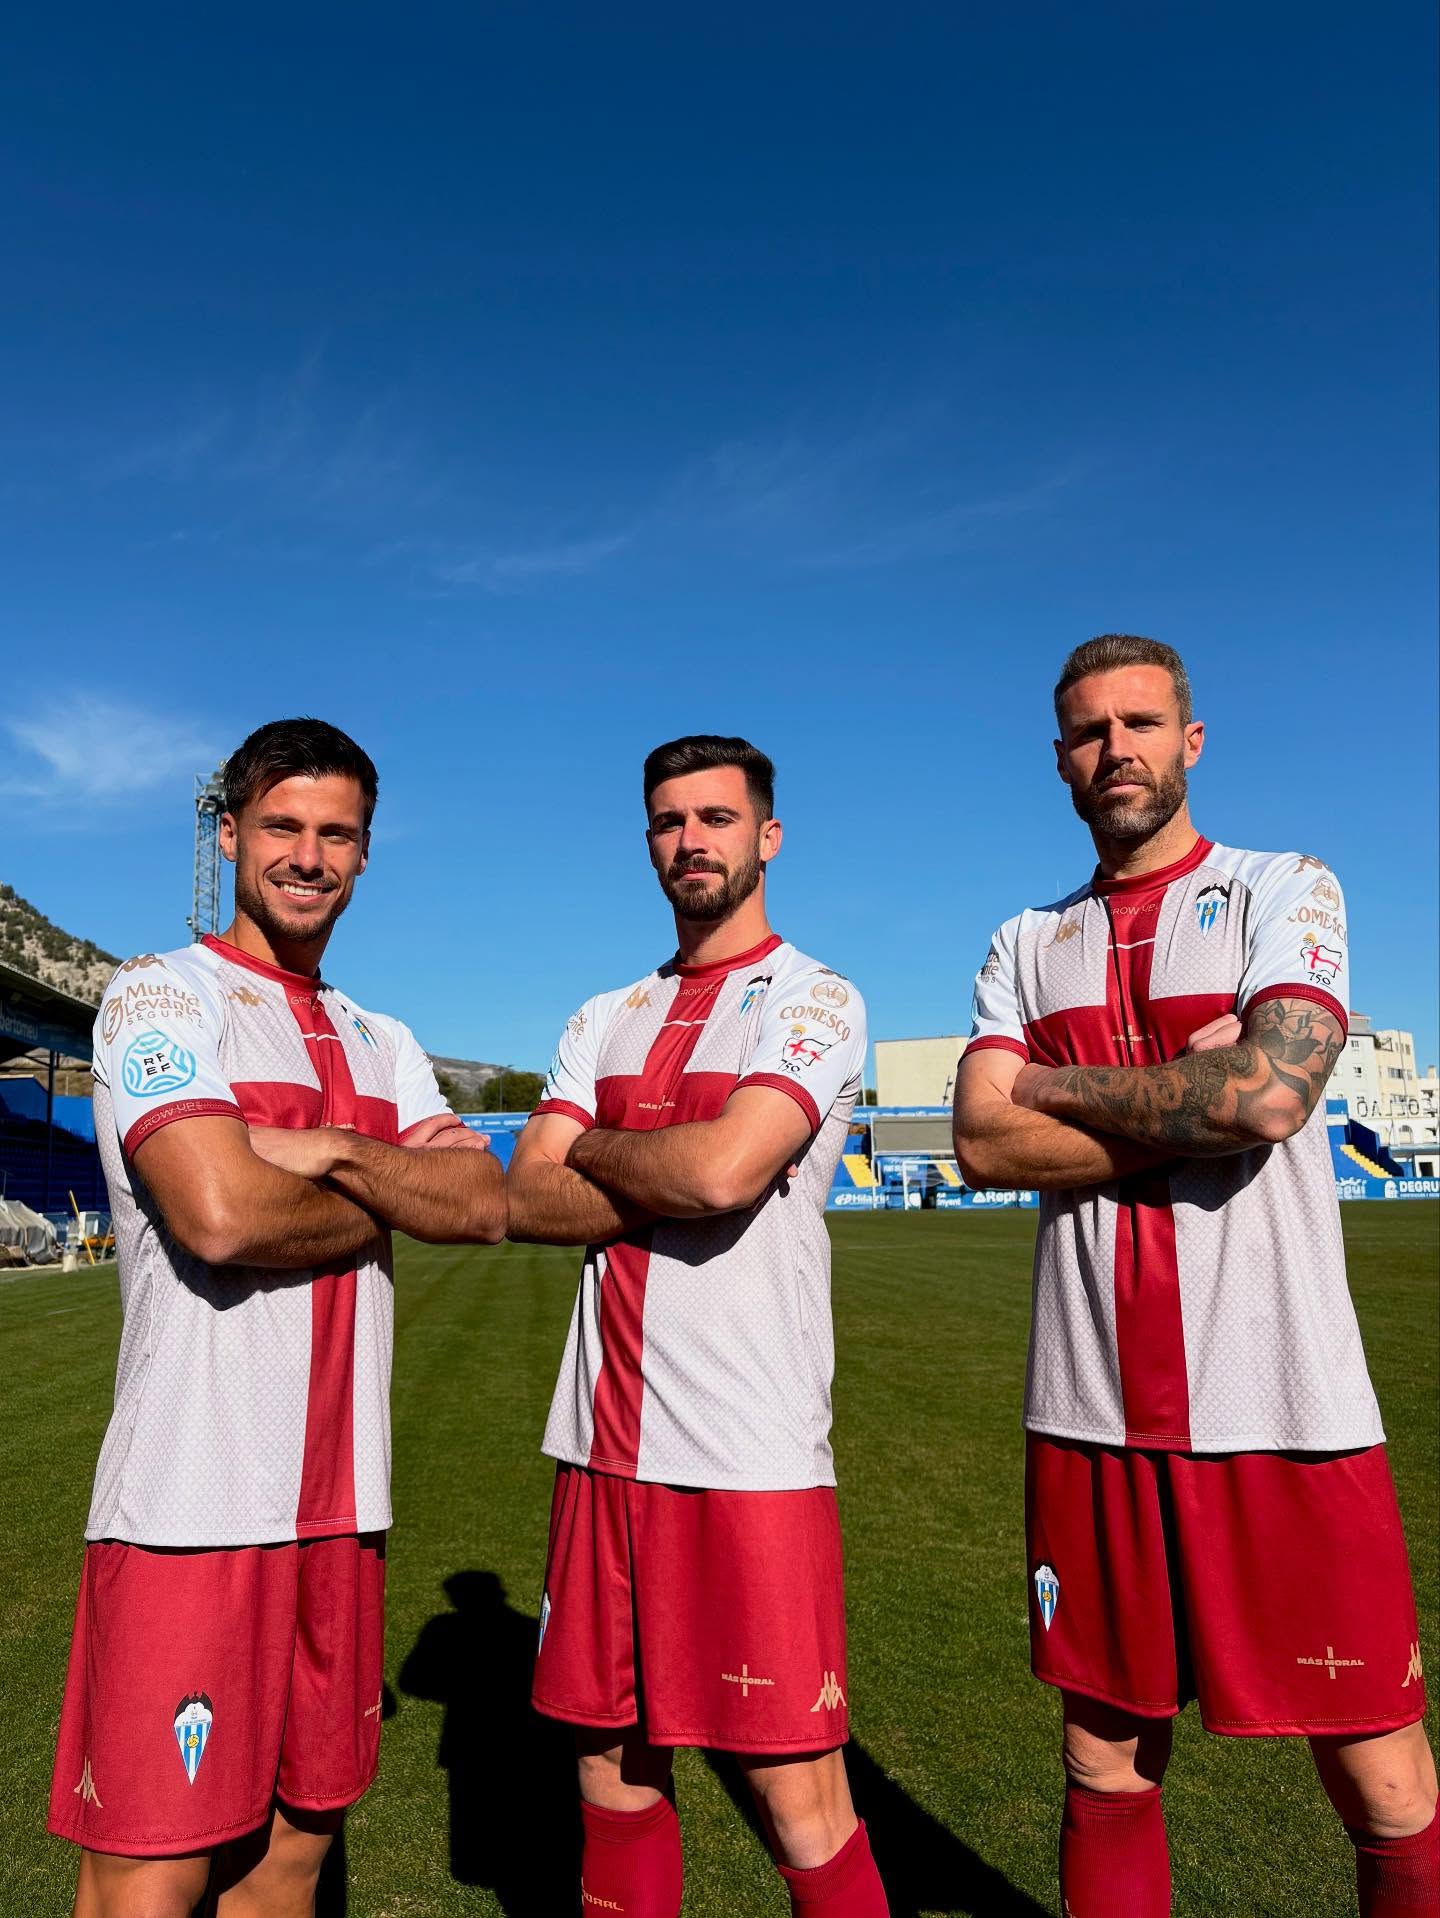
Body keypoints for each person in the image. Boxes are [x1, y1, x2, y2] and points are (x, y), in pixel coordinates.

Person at [952, 635, 1436, 1918]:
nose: (1116, 749)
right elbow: (979, 1136)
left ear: (1191, 741)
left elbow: (1270, 1093)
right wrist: (1187, 1091)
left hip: (1281, 1403)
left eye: (1142, 723)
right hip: (1088, 1407)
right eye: (1088, 730)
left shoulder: (1288, 886)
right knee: (1102, 1759)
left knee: (1380, 1772)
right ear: (1059, 757)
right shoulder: (1023, 938)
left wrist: (1048, 1083)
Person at [48, 718, 506, 1918]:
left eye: (336, 834)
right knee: (145, 1884)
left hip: (344, 1510)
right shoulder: (159, 996)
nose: (309, 856)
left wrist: (319, 1147)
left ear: (365, 854)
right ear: (232, 831)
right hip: (189, 1507)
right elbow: (218, 1214)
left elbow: (477, 1203)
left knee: (288, 1869)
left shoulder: (384, 1040)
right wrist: (381, 1188)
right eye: (284, 827)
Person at [507, 734, 889, 1918]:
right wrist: (641, 1162)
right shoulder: (605, 1013)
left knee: (795, 1788)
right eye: (670, 822)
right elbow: (528, 1191)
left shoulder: (818, 997)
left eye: (716, 818)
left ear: (766, 836)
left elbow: (727, 1170)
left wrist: (602, 1151)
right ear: (648, 844)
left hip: (744, 1451)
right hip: (599, 1449)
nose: (692, 841)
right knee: (610, 1772)